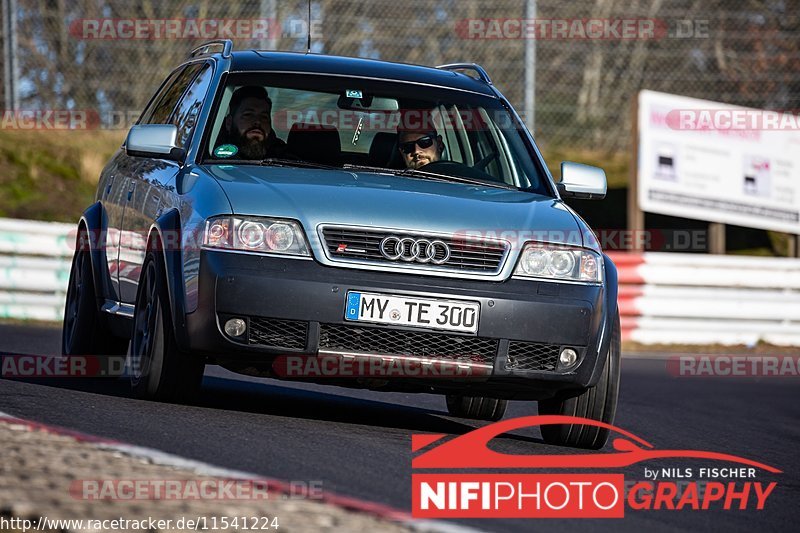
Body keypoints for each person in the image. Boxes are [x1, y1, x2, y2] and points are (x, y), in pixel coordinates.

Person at [219, 86, 287, 159]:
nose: (257, 122)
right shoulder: (209, 153)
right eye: (248, 115)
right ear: (229, 123)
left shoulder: (284, 158)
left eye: (264, 117)